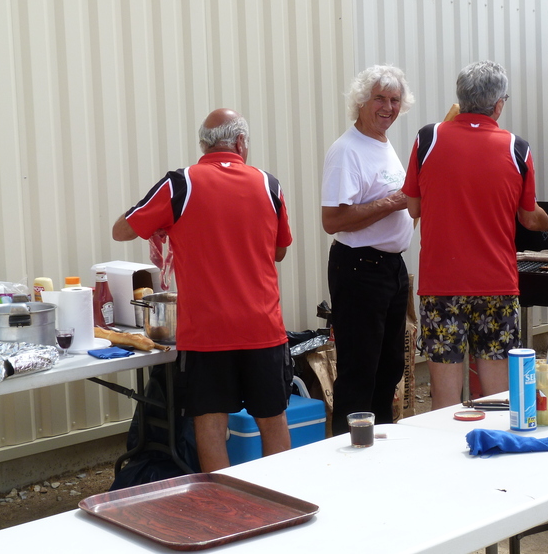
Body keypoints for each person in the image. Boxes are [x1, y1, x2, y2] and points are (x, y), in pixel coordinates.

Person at [112, 109, 293, 472]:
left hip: (207, 333)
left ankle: (221, 508)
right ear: (241, 143)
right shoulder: (268, 184)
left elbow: (122, 230)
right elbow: (279, 251)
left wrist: (165, 222)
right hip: (262, 327)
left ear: (202, 145)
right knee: (272, 419)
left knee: (211, 423)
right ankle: (282, 499)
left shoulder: (179, 184)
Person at [402, 60, 548, 410]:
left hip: (442, 285)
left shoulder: (428, 138)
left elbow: (413, 208)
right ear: (499, 104)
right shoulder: (517, 148)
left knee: (446, 401)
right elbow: (530, 219)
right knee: (498, 397)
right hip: (496, 285)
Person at [321, 65, 415, 435]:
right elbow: (333, 219)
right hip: (360, 268)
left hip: (390, 268)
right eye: (379, 98)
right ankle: (347, 453)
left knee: (389, 366)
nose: (388, 107)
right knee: (360, 369)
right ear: (361, 101)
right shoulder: (347, 151)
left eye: (394, 100)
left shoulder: (383, 145)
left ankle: (380, 445)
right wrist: (392, 204)